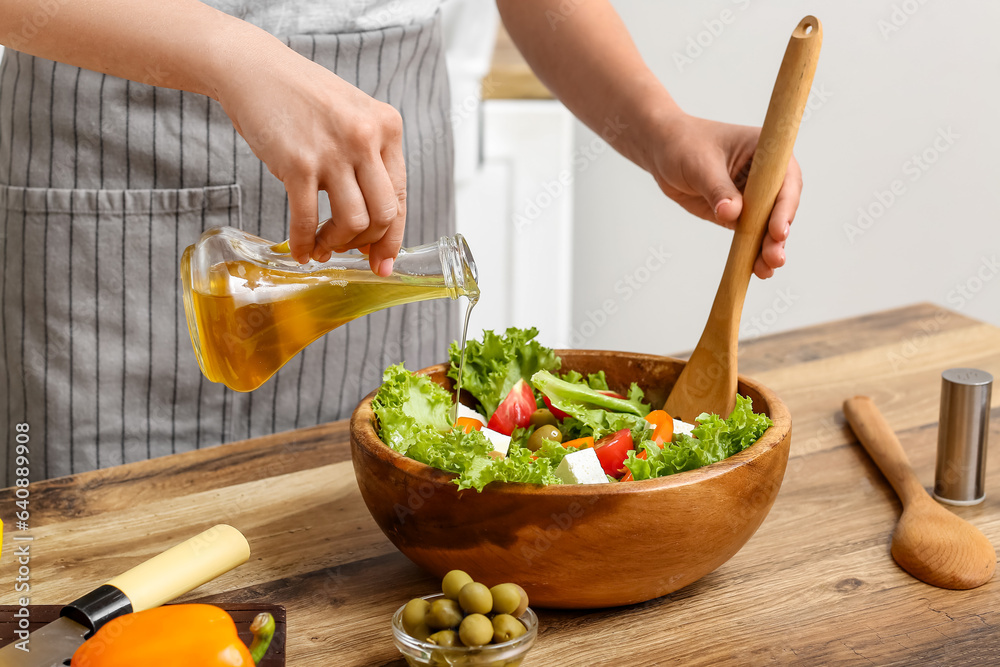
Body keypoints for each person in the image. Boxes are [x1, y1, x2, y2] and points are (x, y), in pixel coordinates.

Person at [0, 0, 800, 485]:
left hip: (378, 166)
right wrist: (234, 53)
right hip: (118, 165)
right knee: (86, 602)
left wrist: (659, 129)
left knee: (368, 566)